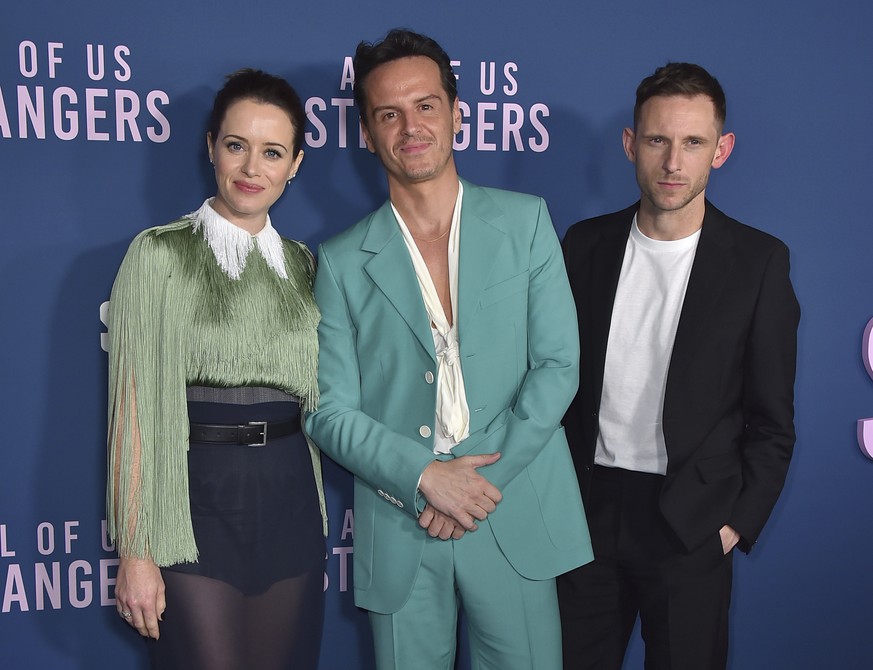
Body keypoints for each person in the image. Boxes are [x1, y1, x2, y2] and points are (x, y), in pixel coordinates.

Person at [304, 28, 592, 670]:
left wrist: (476, 485)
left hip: (510, 507)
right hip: (404, 520)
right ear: (369, 134)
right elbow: (327, 411)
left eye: (426, 105)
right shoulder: (342, 261)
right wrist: (426, 478)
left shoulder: (527, 223)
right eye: (389, 113)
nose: (411, 126)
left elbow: (558, 365)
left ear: (456, 114)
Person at [558, 62, 800, 669]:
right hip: (586, 513)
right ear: (629, 144)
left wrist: (735, 525)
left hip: (691, 521)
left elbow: (772, 420)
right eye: (657, 140)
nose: (673, 162)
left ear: (722, 150)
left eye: (693, 142)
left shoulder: (758, 262)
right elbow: (552, 382)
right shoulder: (582, 245)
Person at [106, 69, 325, 670]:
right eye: (237, 145)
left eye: (273, 152)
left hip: (290, 501)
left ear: (295, 165)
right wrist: (136, 549)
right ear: (211, 147)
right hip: (193, 504)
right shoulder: (159, 253)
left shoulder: (306, 267)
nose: (253, 168)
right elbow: (133, 411)